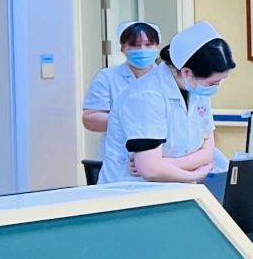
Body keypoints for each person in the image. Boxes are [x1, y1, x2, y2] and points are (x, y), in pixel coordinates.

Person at [100, 20, 235, 184]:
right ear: (186, 72)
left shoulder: (196, 89)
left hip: (174, 188)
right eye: (213, 82)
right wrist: (194, 174)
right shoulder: (146, 95)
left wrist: (165, 164)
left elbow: (207, 152)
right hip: (131, 191)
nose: (217, 86)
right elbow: (150, 171)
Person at [83, 21, 160, 180]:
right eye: (135, 45)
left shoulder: (168, 79)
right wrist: (131, 120)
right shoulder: (108, 77)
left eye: (148, 44)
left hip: (159, 161)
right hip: (117, 163)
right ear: (123, 47)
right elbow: (90, 119)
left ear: (157, 46)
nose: (142, 50)